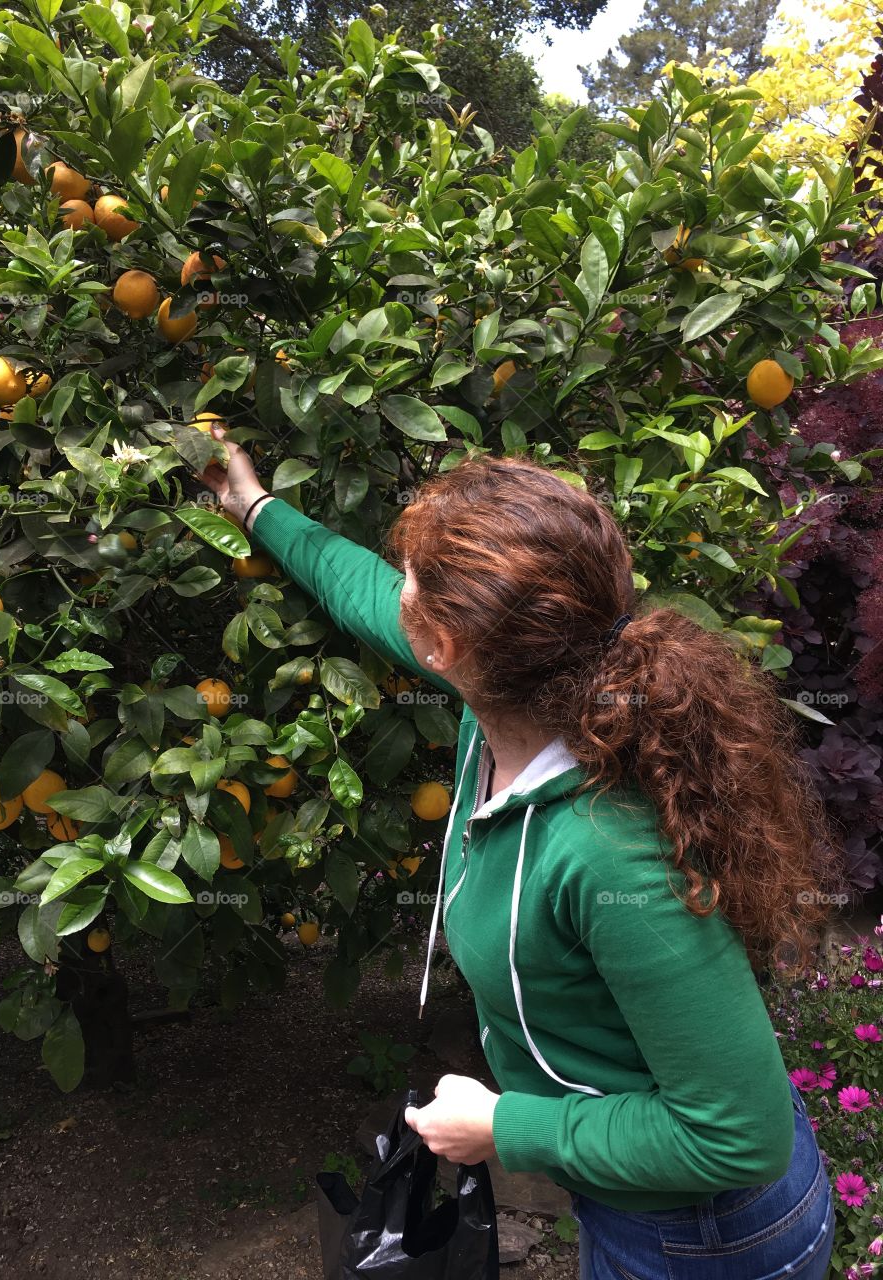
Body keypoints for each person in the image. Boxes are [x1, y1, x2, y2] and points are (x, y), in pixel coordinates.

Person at [200, 436, 845, 1280]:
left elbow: (737, 1135)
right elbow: (360, 591)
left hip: (703, 1238)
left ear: (444, 645)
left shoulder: (611, 853)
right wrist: (252, 505)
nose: (397, 595)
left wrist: (506, 1129)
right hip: (646, 1203)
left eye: (414, 586)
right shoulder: (514, 705)